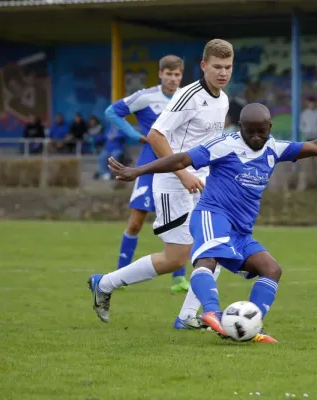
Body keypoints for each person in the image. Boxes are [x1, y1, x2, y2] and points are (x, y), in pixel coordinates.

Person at [107, 103, 317, 343]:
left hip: (241, 230)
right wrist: (139, 171)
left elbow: (316, 146)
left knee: (271, 269)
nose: (255, 137)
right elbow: (182, 158)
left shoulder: (275, 148)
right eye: (249, 131)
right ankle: (212, 312)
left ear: (269, 127)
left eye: (261, 132)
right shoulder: (224, 145)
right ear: (239, 127)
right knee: (207, 260)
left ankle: (245, 325)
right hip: (212, 215)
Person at [88, 39, 234, 329]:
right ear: (203, 66)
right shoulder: (187, 96)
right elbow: (156, 136)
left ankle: (187, 317)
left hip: (202, 182)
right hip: (172, 182)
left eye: (228, 67)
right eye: (217, 67)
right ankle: (104, 283)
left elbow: (209, 144)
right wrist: (183, 174)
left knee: (216, 248)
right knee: (175, 258)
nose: (223, 73)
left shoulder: (224, 99)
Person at [104, 55, 189, 293]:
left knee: (180, 221)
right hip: (149, 166)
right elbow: (112, 112)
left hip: (176, 167)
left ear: (182, 76)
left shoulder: (187, 98)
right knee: (136, 221)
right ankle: (119, 274)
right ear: (160, 74)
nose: (173, 79)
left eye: (177, 75)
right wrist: (134, 135)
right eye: (169, 74)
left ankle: (179, 279)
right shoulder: (145, 97)